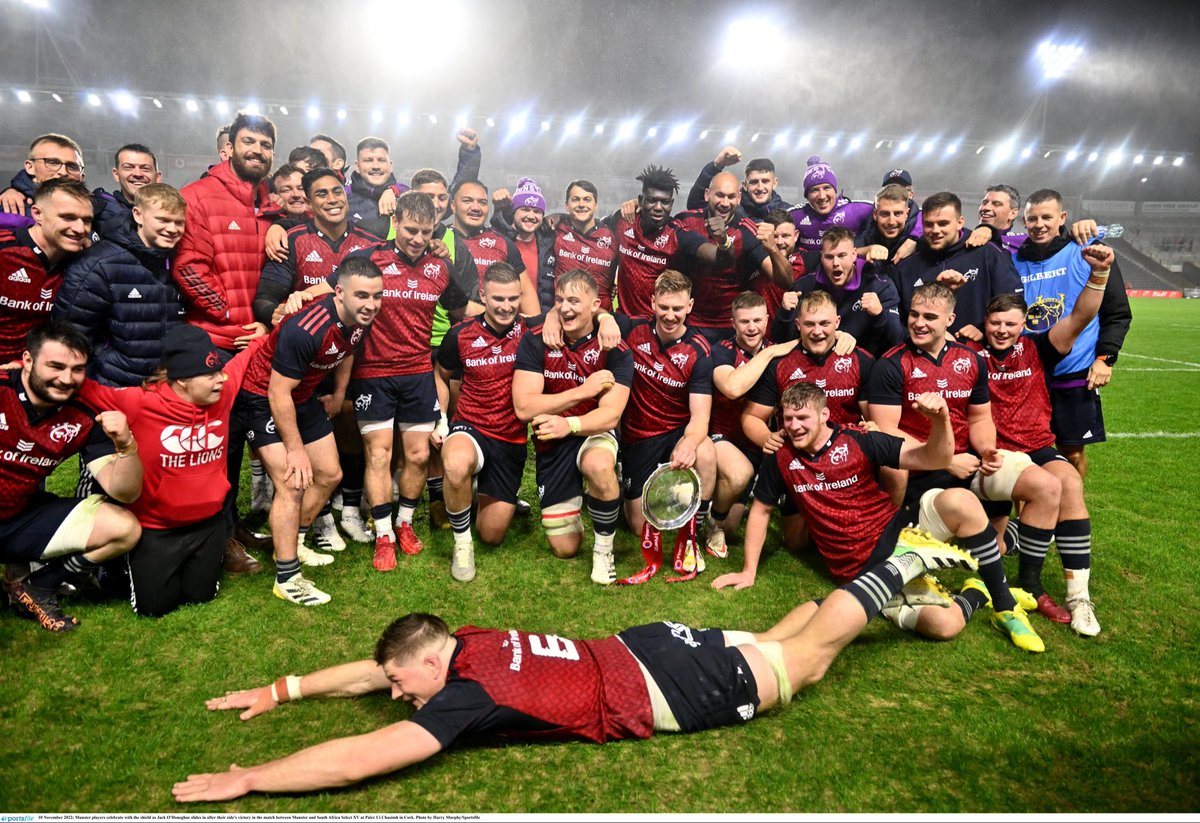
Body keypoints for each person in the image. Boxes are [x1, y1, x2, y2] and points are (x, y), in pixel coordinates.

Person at [172, 535, 979, 803]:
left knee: (801, 664)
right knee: (776, 639)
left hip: (655, 684)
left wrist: (253, 778)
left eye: (399, 682)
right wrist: (283, 689)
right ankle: (937, 599)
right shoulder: (470, 639)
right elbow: (368, 667)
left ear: (431, 660)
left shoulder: (464, 696)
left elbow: (358, 760)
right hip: (641, 643)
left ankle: (902, 561)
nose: (393, 694)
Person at [867, 283, 1043, 652]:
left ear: (950, 319)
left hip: (968, 461)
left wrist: (989, 449)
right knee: (965, 507)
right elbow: (886, 433)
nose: (918, 323)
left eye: (930, 317)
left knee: (1045, 485)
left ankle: (1029, 587)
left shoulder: (970, 359)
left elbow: (980, 418)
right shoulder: (891, 363)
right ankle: (1004, 606)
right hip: (921, 474)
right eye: (914, 314)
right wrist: (945, 457)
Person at [968, 255, 1113, 636]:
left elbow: (1080, 316)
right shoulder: (970, 355)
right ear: (985, 322)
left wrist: (1099, 274)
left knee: (1071, 481)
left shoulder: (1038, 348)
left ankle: (1078, 597)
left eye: (1010, 324)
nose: (1002, 330)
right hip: (996, 454)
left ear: (1023, 324)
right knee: (1049, 487)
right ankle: (1030, 583)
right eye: (995, 323)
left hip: (1037, 446)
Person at [76, 325, 262, 617]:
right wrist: (15, 375)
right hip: (157, 529)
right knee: (155, 608)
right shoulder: (138, 402)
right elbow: (82, 389)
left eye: (220, 373)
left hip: (208, 525)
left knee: (201, 596)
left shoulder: (223, 393)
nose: (220, 380)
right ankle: (110, 569)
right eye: (211, 375)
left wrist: (263, 332)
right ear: (183, 380)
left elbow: (245, 358)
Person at [231, 256, 384, 605]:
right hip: (262, 396)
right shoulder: (306, 328)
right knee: (291, 482)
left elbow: (348, 350)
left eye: (377, 296)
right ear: (340, 292)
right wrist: (296, 449)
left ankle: (293, 543)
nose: (371, 304)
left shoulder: (362, 319)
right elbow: (276, 392)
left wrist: (340, 393)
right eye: (362, 296)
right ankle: (287, 578)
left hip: (303, 396)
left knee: (329, 474)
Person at [340, 191, 475, 570]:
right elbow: (342, 297)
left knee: (417, 456)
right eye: (411, 229)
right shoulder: (371, 260)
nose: (417, 238)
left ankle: (404, 524)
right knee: (379, 454)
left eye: (425, 231)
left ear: (435, 229)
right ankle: (383, 534)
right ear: (395, 221)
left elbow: (461, 309)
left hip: (418, 374)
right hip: (374, 375)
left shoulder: (440, 267)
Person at [0, 321, 142, 632]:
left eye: (77, 369)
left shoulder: (85, 414)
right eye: (56, 366)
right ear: (27, 360)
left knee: (124, 528)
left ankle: (38, 587)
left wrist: (126, 445)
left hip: (19, 518)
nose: (66, 379)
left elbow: (126, 492)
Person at [512, 269, 632, 583]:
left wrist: (570, 424)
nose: (565, 308)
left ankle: (603, 549)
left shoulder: (613, 347)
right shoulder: (537, 340)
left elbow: (610, 416)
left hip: (593, 432)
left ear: (596, 305)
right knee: (565, 548)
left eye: (574, 301)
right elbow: (524, 406)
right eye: (561, 300)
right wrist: (583, 392)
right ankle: (588, 496)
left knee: (598, 463)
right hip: (552, 445)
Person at [1012, 189, 1133, 479]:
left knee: (1072, 450)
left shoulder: (1089, 250)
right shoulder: (1014, 259)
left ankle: (1071, 515)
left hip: (1074, 369)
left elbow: (1117, 312)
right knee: (1022, 450)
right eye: (1032, 219)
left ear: (1062, 218)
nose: (1039, 224)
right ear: (1024, 223)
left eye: (1046, 217)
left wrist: (1105, 358)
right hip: (1028, 371)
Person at [433, 264, 538, 581]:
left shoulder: (533, 334)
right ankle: (462, 544)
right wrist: (440, 418)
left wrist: (603, 318)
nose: (506, 307)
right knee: (454, 463)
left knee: (492, 534)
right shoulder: (461, 334)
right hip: (471, 426)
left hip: (511, 439)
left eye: (512, 299)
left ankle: (473, 488)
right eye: (498, 299)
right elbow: (441, 374)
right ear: (483, 295)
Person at [618, 270, 715, 577]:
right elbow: (594, 317)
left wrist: (689, 442)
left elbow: (701, 415)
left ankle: (693, 531)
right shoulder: (632, 331)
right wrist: (606, 319)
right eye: (664, 307)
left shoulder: (699, 350)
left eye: (677, 308)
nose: (670, 315)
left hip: (676, 431)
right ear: (653, 302)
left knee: (707, 452)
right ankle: (625, 482)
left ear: (689, 306)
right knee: (637, 528)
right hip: (638, 436)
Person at [53, 183, 188, 388]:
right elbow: (71, 336)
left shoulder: (179, 260)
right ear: (138, 215)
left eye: (179, 223)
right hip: (114, 387)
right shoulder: (98, 263)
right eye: (163, 220)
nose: (172, 229)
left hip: (166, 388)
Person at [707, 291, 798, 553]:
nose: (751, 327)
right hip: (720, 435)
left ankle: (718, 509)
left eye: (757, 320)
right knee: (739, 474)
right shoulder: (721, 351)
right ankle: (712, 521)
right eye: (744, 321)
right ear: (733, 323)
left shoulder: (777, 350)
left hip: (755, 442)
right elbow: (733, 388)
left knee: (733, 528)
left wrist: (843, 336)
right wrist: (768, 355)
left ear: (767, 320)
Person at [672, 171, 793, 344]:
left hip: (730, 327)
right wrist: (636, 206)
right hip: (689, 322)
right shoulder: (687, 221)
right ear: (707, 195)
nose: (725, 203)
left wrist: (773, 248)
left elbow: (785, 281)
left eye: (731, 197)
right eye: (719, 195)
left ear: (739, 198)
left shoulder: (747, 231)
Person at [895, 191, 1023, 341]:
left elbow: (1013, 301)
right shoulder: (906, 266)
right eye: (929, 224)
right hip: (923, 358)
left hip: (978, 353)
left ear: (960, 222)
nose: (935, 230)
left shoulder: (988, 253)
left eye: (943, 223)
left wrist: (983, 328)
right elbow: (900, 321)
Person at [612, 165, 734, 321]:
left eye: (665, 202)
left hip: (658, 325)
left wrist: (724, 241)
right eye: (651, 200)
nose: (658, 207)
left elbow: (723, 260)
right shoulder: (623, 220)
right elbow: (596, 234)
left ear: (671, 204)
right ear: (641, 201)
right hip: (622, 321)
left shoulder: (678, 234)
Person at [0, 179, 93, 364]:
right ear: (37, 214)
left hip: (34, 370)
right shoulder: (4, 249)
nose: (80, 229)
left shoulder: (85, 261)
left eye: (87, 220)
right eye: (68, 217)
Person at [784, 227, 903, 357]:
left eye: (842, 256)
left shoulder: (879, 285)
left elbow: (896, 340)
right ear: (821, 257)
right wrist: (785, 313)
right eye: (829, 257)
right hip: (814, 362)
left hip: (864, 365)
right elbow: (784, 339)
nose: (836, 263)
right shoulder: (804, 286)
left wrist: (879, 314)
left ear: (854, 255)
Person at [448, 179, 540, 316]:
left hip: (495, 334)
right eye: (467, 201)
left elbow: (527, 295)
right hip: (448, 333)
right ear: (453, 206)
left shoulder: (503, 243)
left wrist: (535, 328)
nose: (476, 207)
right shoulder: (439, 240)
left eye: (482, 202)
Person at [786, 156, 874, 255]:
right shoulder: (794, 216)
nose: (822, 196)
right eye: (814, 190)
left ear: (835, 190)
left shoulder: (858, 210)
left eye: (827, 188)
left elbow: (889, 211)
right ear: (807, 196)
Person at [0, 133, 87, 229]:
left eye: (72, 166)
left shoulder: (100, 211)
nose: (63, 172)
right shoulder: (9, 208)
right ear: (30, 167)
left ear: (82, 176)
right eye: (52, 162)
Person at [685, 146, 793, 222]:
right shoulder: (731, 208)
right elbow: (695, 205)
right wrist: (716, 165)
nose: (760, 188)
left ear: (774, 183)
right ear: (744, 186)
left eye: (765, 181)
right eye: (754, 182)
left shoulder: (790, 213)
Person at [90, 144, 164, 241]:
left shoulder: (174, 213)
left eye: (145, 168)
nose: (138, 174)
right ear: (116, 174)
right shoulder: (95, 209)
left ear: (158, 177)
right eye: (128, 167)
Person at [345, 137, 403, 237]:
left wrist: (393, 190)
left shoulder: (404, 197)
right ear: (357, 167)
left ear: (390, 166)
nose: (376, 166)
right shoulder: (342, 197)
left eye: (381, 160)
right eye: (368, 160)